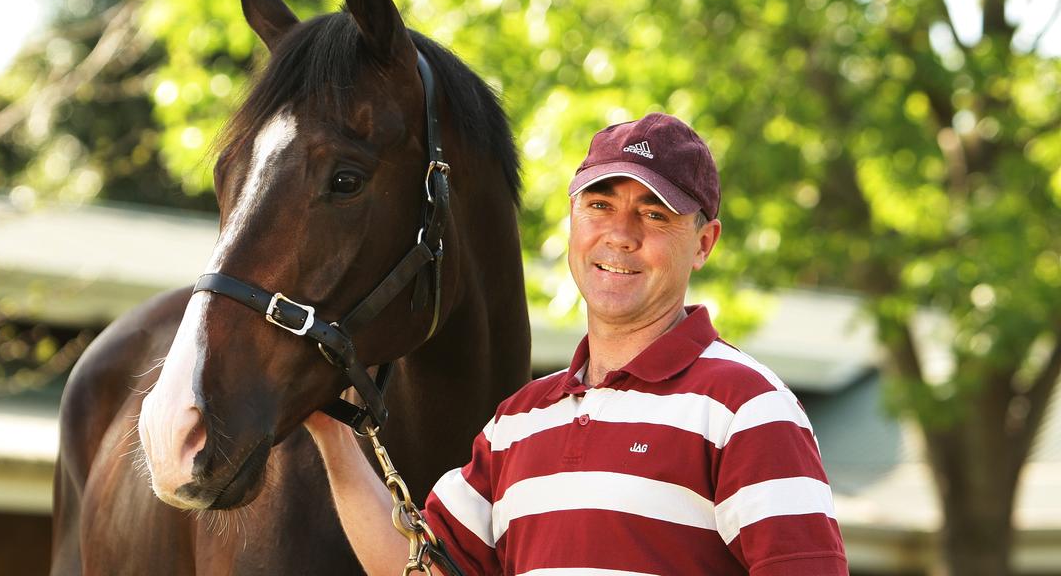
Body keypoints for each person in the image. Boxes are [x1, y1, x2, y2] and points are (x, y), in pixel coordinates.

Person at [305, 113, 849, 575]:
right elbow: (415, 568)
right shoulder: (515, 424)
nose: (621, 234)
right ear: (573, 220)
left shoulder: (748, 409)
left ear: (704, 243)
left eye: (654, 214)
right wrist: (330, 435)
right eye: (600, 205)